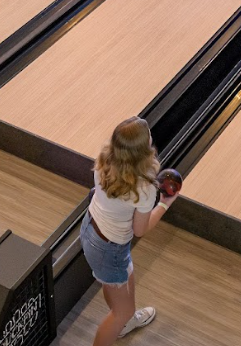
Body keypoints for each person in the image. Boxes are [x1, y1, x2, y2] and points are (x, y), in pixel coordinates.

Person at [80, 117, 178, 345]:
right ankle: (122, 319)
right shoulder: (143, 188)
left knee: (118, 280)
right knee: (120, 311)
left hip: (90, 228)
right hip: (109, 248)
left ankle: (126, 319)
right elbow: (140, 229)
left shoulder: (104, 158)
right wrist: (164, 203)